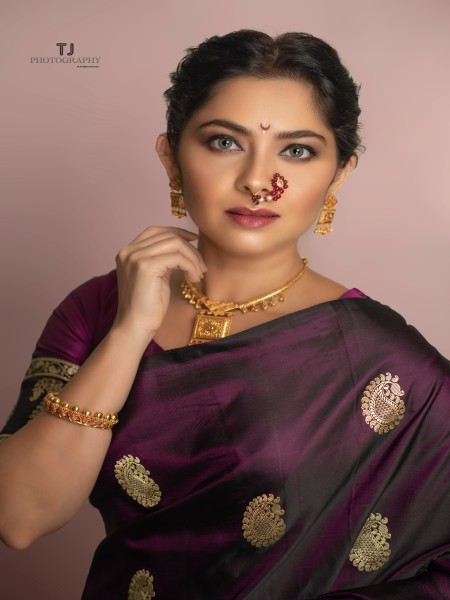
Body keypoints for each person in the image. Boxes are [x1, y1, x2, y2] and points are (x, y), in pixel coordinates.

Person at [0, 29, 449, 599]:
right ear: (171, 156)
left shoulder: (380, 357)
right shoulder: (99, 308)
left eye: (297, 150)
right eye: (224, 142)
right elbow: (20, 518)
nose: (258, 182)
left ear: (339, 173)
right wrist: (130, 331)